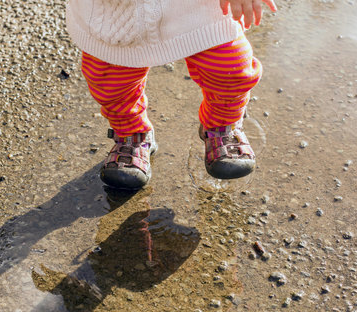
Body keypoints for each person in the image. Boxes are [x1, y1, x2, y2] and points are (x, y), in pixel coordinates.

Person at [66, 0, 277, 189]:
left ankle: (222, 124)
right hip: (116, 13)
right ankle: (131, 133)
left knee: (230, 67)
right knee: (109, 79)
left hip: (197, 9)